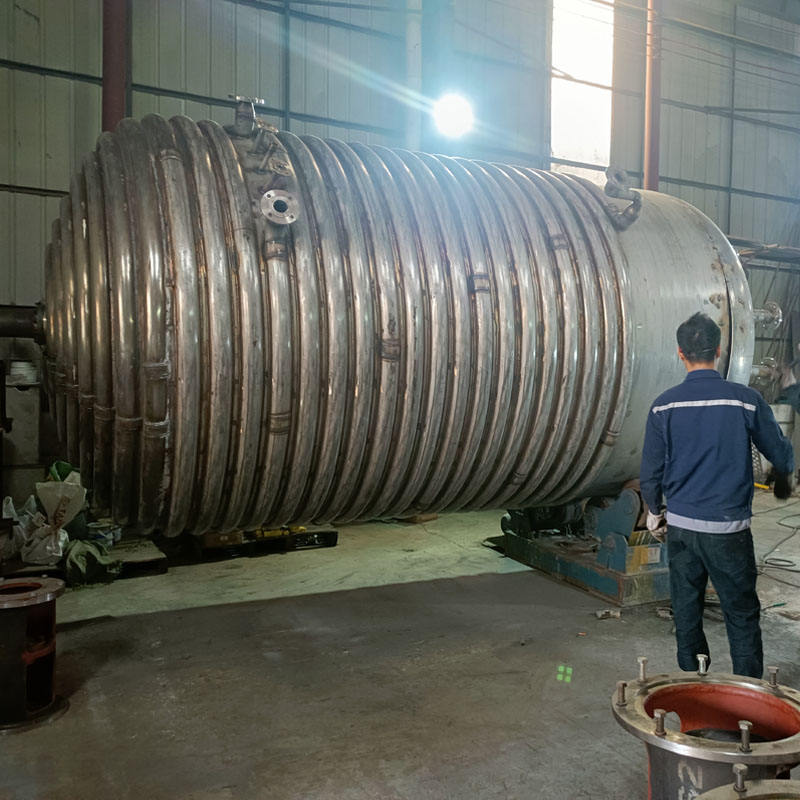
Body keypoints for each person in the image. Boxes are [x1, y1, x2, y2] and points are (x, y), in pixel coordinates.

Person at [640, 312, 795, 678]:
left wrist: (654, 511)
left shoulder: (664, 405)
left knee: (686, 608)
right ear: (719, 350)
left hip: (681, 529)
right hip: (728, 531)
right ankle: (746, 690)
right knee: (740, 613)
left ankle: (695, 680)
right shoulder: (746, 400)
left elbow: (651, 471)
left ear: (680, 353)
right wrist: (784, 472)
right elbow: (781, 453)